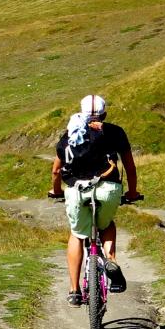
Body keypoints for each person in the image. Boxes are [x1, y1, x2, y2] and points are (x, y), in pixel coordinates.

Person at [48, 94, 141, 305]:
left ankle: (74, 291)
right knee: (106, 224)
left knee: (77, 234)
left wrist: (56, 191)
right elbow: (130, 167)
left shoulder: (71, 133)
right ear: (104, 114)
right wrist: (132, 192)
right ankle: (111, 261)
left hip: (76, 190)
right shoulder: (115, 132)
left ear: (81, 113)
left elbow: (56, 171)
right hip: (107, 189)